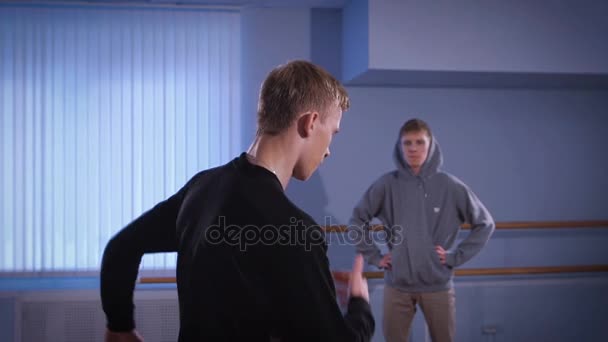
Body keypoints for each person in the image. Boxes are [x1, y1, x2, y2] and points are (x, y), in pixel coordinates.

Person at [101, 60, 375, 342]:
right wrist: (360, 306)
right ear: (311, 122)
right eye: (333, 133)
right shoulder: (296, 231)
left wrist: (119, 326)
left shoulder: (201, 189)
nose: (329, 150)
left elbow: (120, 248)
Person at [348, 118, 495, 342]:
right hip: (397, 285)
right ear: (400, 147)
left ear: (431, 145)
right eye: (407, 143)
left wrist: (455, 256)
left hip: (437, 284)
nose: (413, 148)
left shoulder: (449, 185)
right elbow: (357, 219)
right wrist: (375, 257)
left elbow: (485, 223)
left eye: (419, 142)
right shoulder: (388, 184)